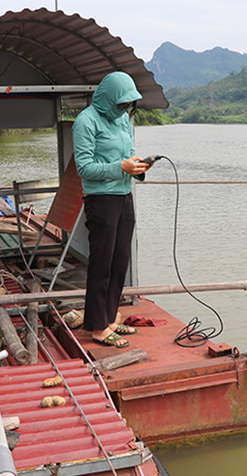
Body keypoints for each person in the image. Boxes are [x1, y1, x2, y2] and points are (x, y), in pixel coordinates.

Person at [73, 71, 154, 348]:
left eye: (128, 104)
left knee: (120, 261)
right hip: (101, 200)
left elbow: (127, 157)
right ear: (108, 98)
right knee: (102, 263)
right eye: (121, 103)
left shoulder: (122, 120)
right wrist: (121, 167)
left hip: (124, 196)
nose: (125, 108)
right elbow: (84, 167)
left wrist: (139, 168)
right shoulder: (86, 121)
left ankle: (109, 319)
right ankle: (97, 327)